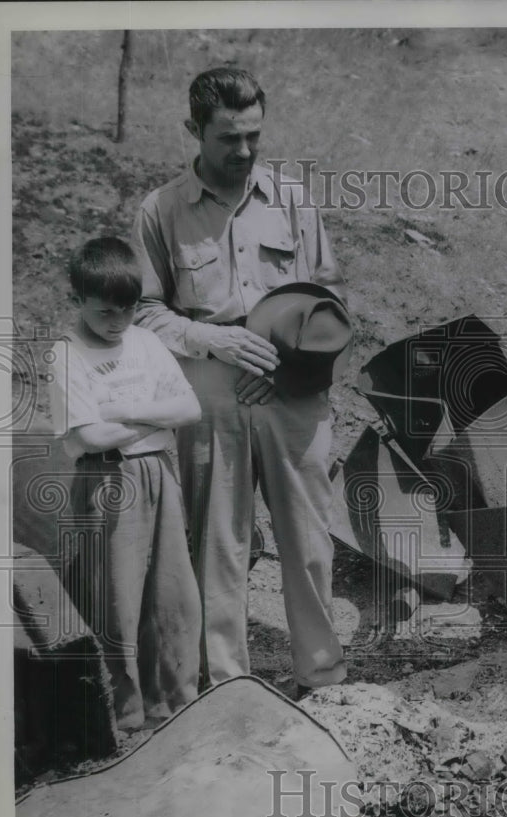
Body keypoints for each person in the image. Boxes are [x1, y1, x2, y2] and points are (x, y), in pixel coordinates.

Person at [131, 67, 347, 696]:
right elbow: (144, 310)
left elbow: (327, 295)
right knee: (219, 545)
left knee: (308, 542)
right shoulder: (162, 210)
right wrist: (212, 339)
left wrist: (284, 362)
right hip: (213, 390)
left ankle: (324, 678)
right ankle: (228, 687)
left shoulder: (292, 200)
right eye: (228, 138)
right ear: (193, 131)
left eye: (254, 135)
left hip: (292, 390)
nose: (245, 150)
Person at [49, 236, 203, 730]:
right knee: (118, 595)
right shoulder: (67, 354)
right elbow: (90, 435)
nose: (117, 322)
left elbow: (190, 408)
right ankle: (125, 713)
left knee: (173, 592)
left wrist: (130, 411)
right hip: (107, 480)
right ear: (79, 301)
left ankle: (176, 700)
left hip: (158, 473)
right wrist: (156, 423)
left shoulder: (147, 342)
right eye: (105, 313)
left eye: (128, 310)